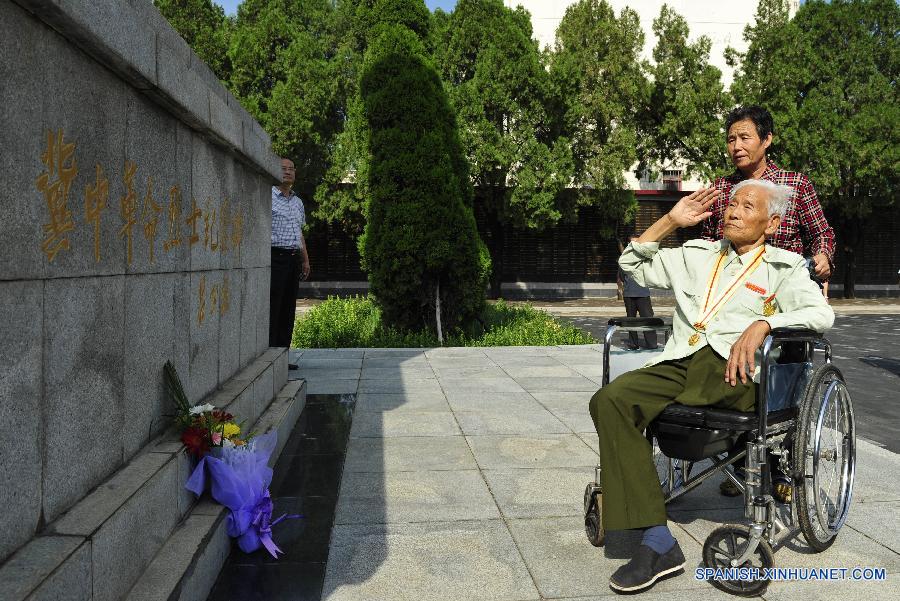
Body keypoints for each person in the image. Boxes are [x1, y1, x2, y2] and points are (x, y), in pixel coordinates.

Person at [589, 180, 833, 594]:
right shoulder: (697, 255)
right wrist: (670, 220)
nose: (734, 210)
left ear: (771, 223)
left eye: (747, 206)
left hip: (734, 371)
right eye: (732, 203)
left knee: (665, 404)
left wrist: (764, 324)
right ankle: (658, 538)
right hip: (681, 359)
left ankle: (656, 533)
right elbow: (633, 264)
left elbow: (820, 314)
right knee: (610, 400)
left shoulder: (785, 267)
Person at [703, 106, 836, 500]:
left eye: (745, 137)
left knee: (783, 385)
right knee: (734, 374)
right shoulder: (723, 190)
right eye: (731, 139)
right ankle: (738, 460)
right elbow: (714, 245)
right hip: (738, 300)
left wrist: (825, 256)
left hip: (785, 298)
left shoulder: (795, 184)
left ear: (766, 140)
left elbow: (821, 233)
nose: (736, 146)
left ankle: (780, 467)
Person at [269, 158, 310, 369]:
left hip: (294, 258)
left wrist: (305, 259)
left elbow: (299, 232)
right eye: (283, 169)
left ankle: (283, 357)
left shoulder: (297, 201)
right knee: (274, 307)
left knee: (288, 308)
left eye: (291, 169)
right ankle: (271, 359)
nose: (287, 172)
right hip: (275, 257)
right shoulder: (268, 197)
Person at [618, 237, 658, 350]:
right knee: (631, 320)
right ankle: (633, 343)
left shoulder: (644, 257)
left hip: (643, 293)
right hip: (629, 294)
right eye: (631, 242)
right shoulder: (624, 258)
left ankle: (651, 343)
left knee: (647, 319)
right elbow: (621, 276)